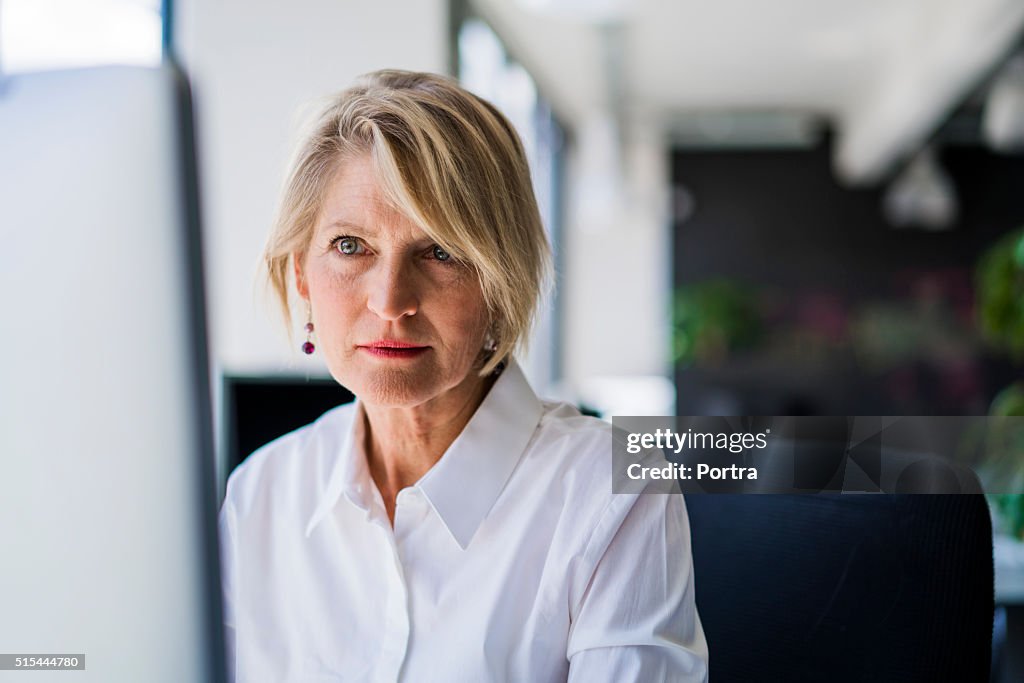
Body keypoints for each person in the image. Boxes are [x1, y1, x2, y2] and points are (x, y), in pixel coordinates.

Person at [218, 69, 708, 682]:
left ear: (503, 287)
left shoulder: (609, 493)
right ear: (301, 278)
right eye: (350, 246)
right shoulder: (262, 493)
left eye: (442, 251)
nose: (391, 300)